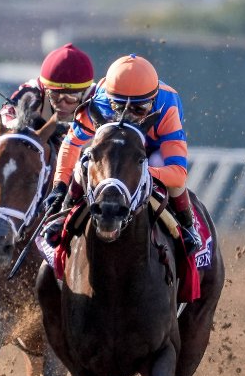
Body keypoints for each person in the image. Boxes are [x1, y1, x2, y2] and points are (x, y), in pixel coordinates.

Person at [42, 53, 200, 253]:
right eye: (118, 107)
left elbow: (177, 174)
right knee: (86, 160)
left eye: (139, 109)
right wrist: (59, 186)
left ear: (152, 101)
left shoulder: (166, 106)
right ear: (110, 101)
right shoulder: (99, 102)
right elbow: (71, 144)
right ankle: (64, 215)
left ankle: (187, 225)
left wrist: (141, 172)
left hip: (152, 150)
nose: (128, 115)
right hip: (115, 149)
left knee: (158, 160)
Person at [0, 43, 96, 147]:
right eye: (55, 96)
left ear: (84, 92)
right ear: (45, 88)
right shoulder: (33, 91)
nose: (62, 104)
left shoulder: (96, 97)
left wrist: (65, 128)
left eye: (70, 98)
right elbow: (6, 113)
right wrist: (21, 124)